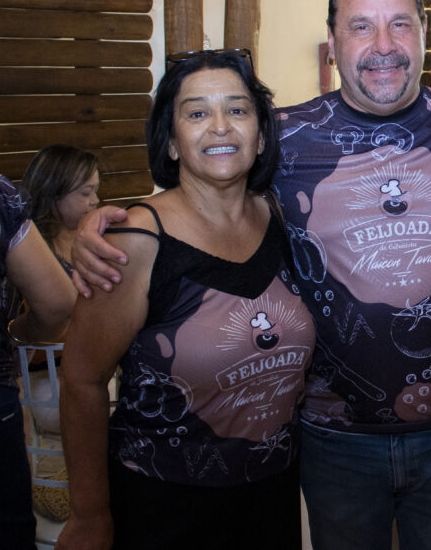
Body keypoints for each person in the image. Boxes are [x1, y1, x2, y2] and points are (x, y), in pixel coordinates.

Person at [71, 0, 431, 550]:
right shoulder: (284, 138)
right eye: (361, 26)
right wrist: (105, 221)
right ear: (333, 41)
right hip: (333, 439)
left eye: (400, 24)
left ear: (423, 33)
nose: (383, 45)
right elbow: (205, 184)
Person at [57, 49, 315, 549]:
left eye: (237, 109)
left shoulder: (283, 218)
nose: (220, 126)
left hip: (273, 493)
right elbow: (82, 381)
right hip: (163, 503)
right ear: (172, 142)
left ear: (261, 135)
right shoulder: (135, 242)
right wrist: (88, 513)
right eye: (197, 113)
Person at [0, 172, 75, 549]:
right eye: (85, 191)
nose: (94, 200)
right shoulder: (0, 197)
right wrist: (16, 334)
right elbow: (57, 304)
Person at [20, 144, 100, 274]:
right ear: (53, 193)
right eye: (85, 193)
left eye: (96, 190)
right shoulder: (30, 247)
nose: (95, 200)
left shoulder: (98, 236)